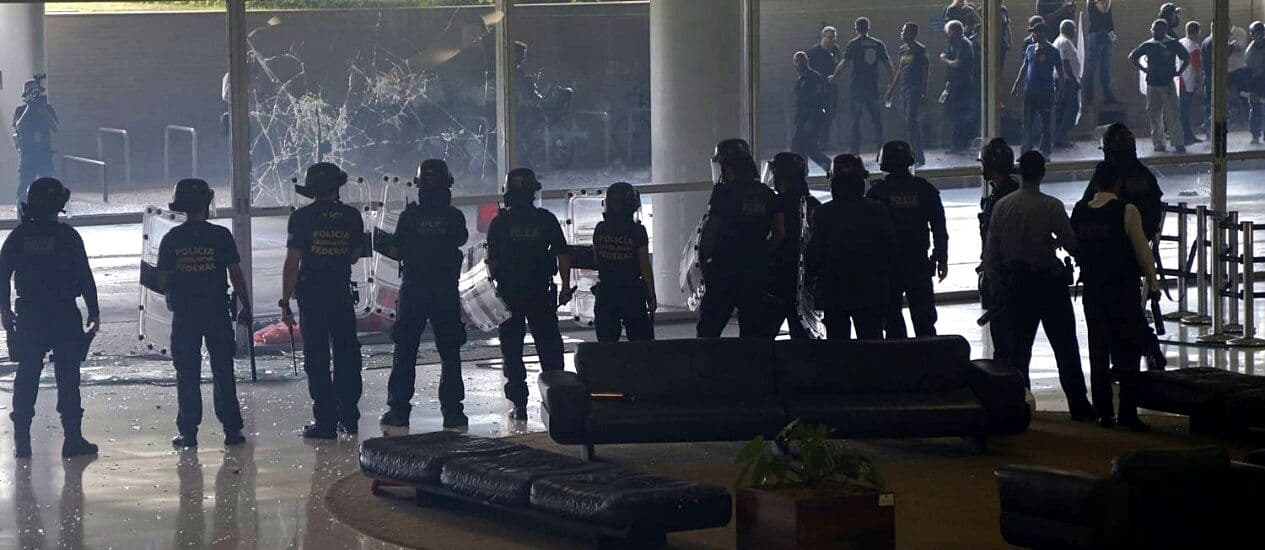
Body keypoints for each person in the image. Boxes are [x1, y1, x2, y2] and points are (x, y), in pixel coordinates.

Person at [983, 151, 1096, 421]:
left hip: (1016, 284)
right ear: (1042, 173)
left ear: (1020, 173)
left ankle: (1018, 404)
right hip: (1048, 283)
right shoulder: (1052, 206)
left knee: (1019, 349)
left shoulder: (1003, 206)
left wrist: (997, 286)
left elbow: (992, 253)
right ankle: (1078, 404)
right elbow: (1071, 243)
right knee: (1065, 346)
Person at [0, 178, 99, 459]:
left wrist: (5, 310)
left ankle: (22, 442)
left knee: (27, 376)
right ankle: (73, 439)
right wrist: (94, 310)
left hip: (30, 315)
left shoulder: (19, 236)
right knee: (68, 377)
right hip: (64, 314)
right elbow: (85, 275)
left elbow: (2, 273)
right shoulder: (68, 236)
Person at [157, 179, 249, 449]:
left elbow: (161, 281)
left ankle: (188, 433)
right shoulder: (220, 236)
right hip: (217, 311)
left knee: (187, 373)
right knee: (223, 370)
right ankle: (232, 430)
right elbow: (235, 274)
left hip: (185, 315)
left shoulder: (172, 239)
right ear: (207, 203)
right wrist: (245, 304)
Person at [1071, 162, 1161, 432]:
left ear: (1096, 184)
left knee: (1098, 350)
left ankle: (1103, 413)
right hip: (1123, 291)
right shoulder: (1127, 210)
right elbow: (1142, 251)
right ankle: (1128, 413)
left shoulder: (1079, 211)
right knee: (1127, 351)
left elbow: (1075, 246)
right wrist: (1154, 285)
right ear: (1118, 184)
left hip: (1093, 292)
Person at [380, 160, 469, 429]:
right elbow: (460, 240)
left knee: (405, 350)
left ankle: (399, 411)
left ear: (418, 186)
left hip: (414, 289)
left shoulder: (409, 217)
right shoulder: (454, 216)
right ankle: (453, 413)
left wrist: (378, 241)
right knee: (450, 353)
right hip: (445, 291)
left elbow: (396, 251)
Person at [280, 162, 366, 440]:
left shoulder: (301, 218)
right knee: (347, 354)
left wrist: (285, 301)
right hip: (340, 292)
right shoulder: (352, 216)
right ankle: (349, 418)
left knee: (316, 358)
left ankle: (325, 423)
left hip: (312, 294)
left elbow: (292, 262)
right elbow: (354, 255)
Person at [486, 168, 571, 420]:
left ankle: (519, 405)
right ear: (534, 191)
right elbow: (562, 254)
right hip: (540, 293)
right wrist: (565, 287)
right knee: (550, 349)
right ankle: (558, 401)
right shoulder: (545, 219)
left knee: (512, 351)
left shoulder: (499, 223)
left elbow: (490, 262)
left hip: (509, 295)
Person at [696, 139, 784, 338]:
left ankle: (707, 368)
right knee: (752, 332)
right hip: (755, 271)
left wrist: (704, 259)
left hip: (724, 268)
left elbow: (711, 229)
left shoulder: (723, 192)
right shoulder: (767, 194)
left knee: (709, 330)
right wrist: (761, 252)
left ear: (726, 165)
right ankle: (749, 368)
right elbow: (780, 233)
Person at [805, 154, 893, 340]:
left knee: (838, 346)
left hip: (834, 290)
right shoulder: (877, 211)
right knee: (872, 342)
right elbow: (889, 248)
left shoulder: (823, 213)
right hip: (870, 288)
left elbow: (815, 252)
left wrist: (809, 278)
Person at [866, 140, 947, 337]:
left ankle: (900, 362)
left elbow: (868, 234)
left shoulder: (877, 193)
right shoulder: (925, 189)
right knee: (925, 320)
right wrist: (941, 256)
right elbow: (938, 227)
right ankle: (928, 362)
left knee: (892, 320)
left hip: (888, 267)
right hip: (918, 263)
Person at [764, 153, 820, 339]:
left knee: (765, 333)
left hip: (780, 275)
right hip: (806, 277)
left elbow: (778, 235)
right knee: (802, 332)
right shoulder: (813, 204)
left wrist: (762, 255)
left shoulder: (777, 202)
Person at [591, 181, 655, 342]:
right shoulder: (637, 231)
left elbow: (596, 258)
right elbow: (644, 266)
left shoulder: (600, 229)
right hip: (631, 292)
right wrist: (651, 295)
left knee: (607, 344)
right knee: (641, 343)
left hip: (606, 292)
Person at [1081, 124, 1165, 241]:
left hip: (1108, 242)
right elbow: (1154, 215)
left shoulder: (1107, 174)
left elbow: (1086, 207)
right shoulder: (1145, 175)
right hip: (1141, 240)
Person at [977, 138, 1020, 363]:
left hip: (1003, 276)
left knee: (1005, 343)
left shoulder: (1002, 198)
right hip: (1003, 274)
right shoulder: (1007, 193)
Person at [831, 17, 892, 156]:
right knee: (877, 121)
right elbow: (888, 64)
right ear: (868, 28)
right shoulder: (877, 44)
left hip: (858, 88)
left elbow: (844, 63)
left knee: (856, 121)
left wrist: (835, 76)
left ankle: (855, 151)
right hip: (873, 87)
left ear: (856, 28)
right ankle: (881, 150)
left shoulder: (853, 44)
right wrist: (891, 83)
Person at [1129, 19, 1190, 153]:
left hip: (1167, 84)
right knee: (1154, 114)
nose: (1155, 32)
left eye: (1159, 30)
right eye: (1154, 30)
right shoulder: (1148, 45)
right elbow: (1133, 56)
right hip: (1152, 84)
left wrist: (1179, 71)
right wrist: (1144, 69)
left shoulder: (1172, 43)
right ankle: (1158, 143)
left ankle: (1178, 142)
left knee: (1173, 114)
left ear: (1165, 30)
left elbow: (1186, 57)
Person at [1011, 21, 1063, 155]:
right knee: (1027, 123)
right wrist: (1017, 84)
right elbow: (1025, 67)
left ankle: (1045, 151)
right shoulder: (1030, 49)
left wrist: (1058, 92)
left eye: (1035, 32)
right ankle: (1025, 150)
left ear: (1043, 33)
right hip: (1030, 91)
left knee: (1045, 124)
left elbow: (1060, 73)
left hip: (1045, 92)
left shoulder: (1053, 51)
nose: (1033, 35)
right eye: (1032, 32)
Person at [12, 75, 58, 216]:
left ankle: (49, 213)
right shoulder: (20, 110)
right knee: (24, 185)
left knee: (47, 185)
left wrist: (41, 108)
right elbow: (18, 126)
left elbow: (55, 126)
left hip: (44, 153)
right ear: (25, 95)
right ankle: (22, 214)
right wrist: (29, 107)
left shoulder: (46, 108)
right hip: (28, 154)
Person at [887, 23, 930, 166]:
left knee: (911, 121)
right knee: (909, 122)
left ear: (912, 33)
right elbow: (900, 69)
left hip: (915, 89)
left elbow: (925, 71)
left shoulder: (920, 50)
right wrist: (891, 90)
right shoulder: (903, 50)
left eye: (905, 31)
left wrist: (924, 91)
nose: (902, 33)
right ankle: (915, 153)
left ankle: (917, 155)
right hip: (904, 89)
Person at [941, 20, 977, 154]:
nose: (948, 35)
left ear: (954, 31)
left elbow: (957, 64)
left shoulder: (964, 44)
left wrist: (944, 59)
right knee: (956, 114)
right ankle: (958, 144)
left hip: (963, 85)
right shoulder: (955, 43)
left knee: (960, 115)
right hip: (956, 84)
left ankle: (960, 144)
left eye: (949, 32)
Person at [791, 51, 832, 172]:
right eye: (797, 61)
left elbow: (817, 100)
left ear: (806, 61)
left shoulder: (813, 77)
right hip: (802, 118)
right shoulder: (801, 78)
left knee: (806, 147)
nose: (799, 63)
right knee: (801, 147)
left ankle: (828, 166)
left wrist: (811, 120)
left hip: (812, 117)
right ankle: (803, 171)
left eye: (801, 60)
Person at [807, 26, 843, 148]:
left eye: (834, 38)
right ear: (823, 37)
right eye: (830, 38)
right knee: (817, 115)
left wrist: (836, 76)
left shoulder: (835, 50)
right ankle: (815, 141)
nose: (832, 41)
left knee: (829, 115)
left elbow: (839, 66)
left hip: (831, 87)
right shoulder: (813, 52)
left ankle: (825, 142)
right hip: (817, 88)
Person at [1053, 20, 1082, 149]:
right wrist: (1074, 80)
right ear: (1068, 29)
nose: (1075, 31)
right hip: (1066, 80)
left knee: (1062, 109)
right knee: (1072, 108)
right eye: (1074, 29)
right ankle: (1060, 135)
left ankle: (1059, 138)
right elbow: (1065, 63)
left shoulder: (1058, 41)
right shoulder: (1065, 42)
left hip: (1062, 80)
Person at [1083, 0, 1119, 105]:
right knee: (1092, 67)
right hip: (1097, 34)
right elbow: (1104, 10)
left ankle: (1107, 96)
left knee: (1105, 68)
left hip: (1106, 33)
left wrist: (1111, 33)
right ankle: (1088, 97)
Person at [1178, 21, 1204, 145]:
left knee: (1184, 110)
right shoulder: (1194, 47)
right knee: (1184, 111)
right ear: (1197, 32)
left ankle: (1188, 135)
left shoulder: (1181, 42)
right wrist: (1199, 84)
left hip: (1180, 80)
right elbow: (1196, 67)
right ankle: (1182, 136)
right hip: (1188, 81)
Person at [1245, 22, 1265, 145]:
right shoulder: (1250, 51)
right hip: (1256, 81)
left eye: (1260, 33)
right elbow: (1248, 71)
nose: (1258, 36)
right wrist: (1250, 89)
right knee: (1256, 108)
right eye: (1255, 34)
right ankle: (1255, 134)